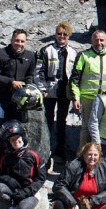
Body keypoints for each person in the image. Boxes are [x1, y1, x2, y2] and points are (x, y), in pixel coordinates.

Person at [33, 22, 74, 168]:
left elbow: (75, 74)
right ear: (55, 34)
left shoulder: (73, 52)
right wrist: (43, 89)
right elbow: (38, 72)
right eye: (59, 33)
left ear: (69, 36)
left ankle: (60, 152)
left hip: (65, 92)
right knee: (47, 121)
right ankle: (45, 151)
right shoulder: (46, 50)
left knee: (62, 122)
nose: (62, 36)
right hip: (48, 93)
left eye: (65, 34)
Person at [70, 30, 106, 145]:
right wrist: (76, 98)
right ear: (91, 41)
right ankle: (83, 156)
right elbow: (74, 79)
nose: (99, 42)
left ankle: (99, 156)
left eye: (102, 40)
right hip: (88, 98)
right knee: (87, 128)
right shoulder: (83, 56)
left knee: (103, 127)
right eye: (96, 40)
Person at [0, 29, 36, 124]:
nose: (19, 43)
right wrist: (11, 82)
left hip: (20, 99)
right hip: (0, 98)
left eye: (22, 41)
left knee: (17, 127)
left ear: (25, 42)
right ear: (11, 40)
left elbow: (30, 75)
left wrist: (30, 88)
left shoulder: (30, 56)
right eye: (17, 40)